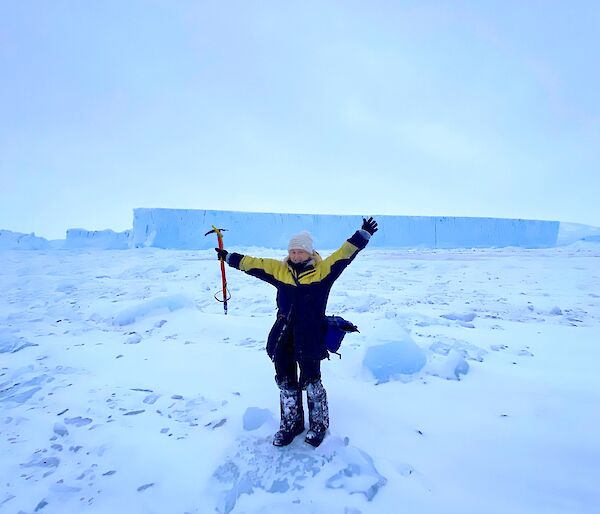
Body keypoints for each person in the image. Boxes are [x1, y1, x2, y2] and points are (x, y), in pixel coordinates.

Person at [215, 217, 378, 447]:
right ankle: (291, 424)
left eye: (300, 252)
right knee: (285, 380)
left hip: (310, 335)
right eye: (292, 251)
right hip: (283, 335)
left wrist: (362, 235)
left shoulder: (323, 271)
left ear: (309, 253)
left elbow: (344, 255)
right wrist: (229, 257)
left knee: (312, 381)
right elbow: (254, 264)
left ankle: (319, 425)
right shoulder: (280, 270)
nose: (296, 256)